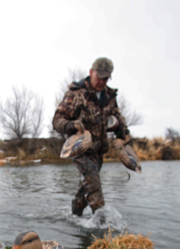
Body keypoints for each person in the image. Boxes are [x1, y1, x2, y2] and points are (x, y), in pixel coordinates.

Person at [53, 57, 131, 216]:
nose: (102, 82)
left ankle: (74, 216)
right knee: (95, 190)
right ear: (91, 72)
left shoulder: (110, 96)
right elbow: (57, 119)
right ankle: (102, 231)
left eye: (106, 78)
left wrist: (123, 132)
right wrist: (70, 125)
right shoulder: (76, 93)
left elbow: (117, 117)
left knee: (85, 191)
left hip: (98, 152)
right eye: (99, 77)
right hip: (81, 151)